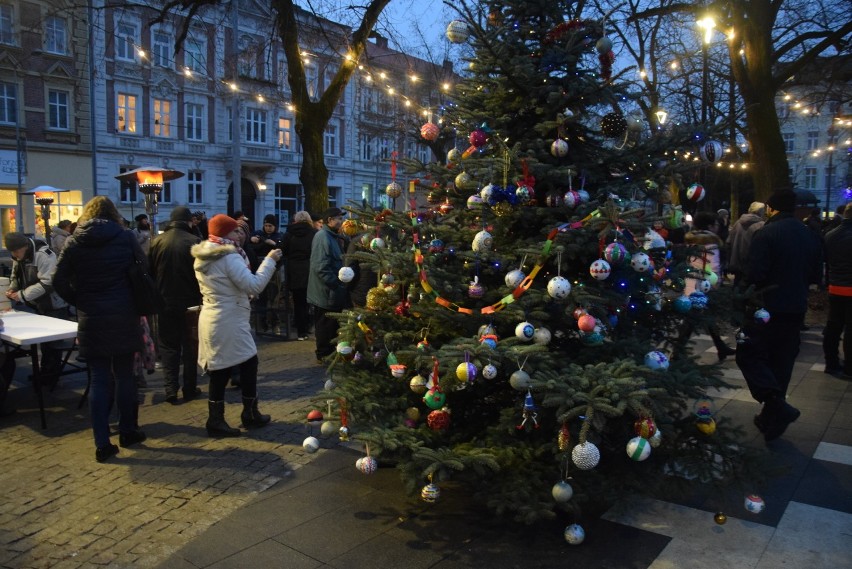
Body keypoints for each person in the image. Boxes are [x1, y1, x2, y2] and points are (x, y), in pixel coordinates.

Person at [53, 196, 147, 462]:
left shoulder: (74, 241)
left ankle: (102, 443)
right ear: (113, 213)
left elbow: (57, 280)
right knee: (125, 376)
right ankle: (128, 431)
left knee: (99, 378)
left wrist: (79, 300)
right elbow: (144, 268)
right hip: (124, 314)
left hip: (92, 317)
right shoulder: (126, 237)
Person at [735, 189, 822, 442]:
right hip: (795, 308)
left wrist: (743, 299)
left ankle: (774, 404)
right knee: (782, 361)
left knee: (747, 352)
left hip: (765, 308)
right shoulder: (810, 235)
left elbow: (756, 274)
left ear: (772, 209)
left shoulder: (767, 233)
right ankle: (771, 419)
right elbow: (817, 275)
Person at [191, 214, 282, 437]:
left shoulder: (205, 254)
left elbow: (226, 286)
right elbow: (254, 285)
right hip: (228, 319)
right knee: (243, 364)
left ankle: (227, 416)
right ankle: (239, 416)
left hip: (216, 316)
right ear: (224, 233)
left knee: (223, 368)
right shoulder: (229, 257)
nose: (239, 234)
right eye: (235, 231)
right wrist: (270, 260)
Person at [148, 206, 203, 404]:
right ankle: (189, 387)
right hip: (190, 303)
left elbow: (149, 273)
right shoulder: (194, 242)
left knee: (168, 346)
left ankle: (170, 389)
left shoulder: (156, 241)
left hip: (164, 302)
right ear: (188, 221)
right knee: (190, 346)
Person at [3, 232, 70, 388]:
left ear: (25, 247)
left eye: (16, 252)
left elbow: (48, 283)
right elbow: (16, 276)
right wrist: (12, 290)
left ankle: (51, 375)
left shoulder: (44, 255)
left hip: (54, 304)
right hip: (39, 303)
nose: (14, 256)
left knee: (52, 343)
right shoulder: (19, 255)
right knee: (45, 344)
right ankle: (45, 373)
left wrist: (21, 295)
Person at [683, 212, 735, 360]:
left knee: (703, 316)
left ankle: (720, 347)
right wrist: (716, 283)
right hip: (705, 284)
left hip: (692, 282)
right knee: (692, 319)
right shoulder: (711, 242)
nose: (717, 227)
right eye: (716, 225)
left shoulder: (691, 239)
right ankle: (677, 352)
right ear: (710, 226)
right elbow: (714, 266)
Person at [307, 207, 351, 363]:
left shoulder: (333, 236)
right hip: (325, 292)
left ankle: (329, 353)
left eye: (341, 218)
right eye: (338, 218)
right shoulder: (323, 237)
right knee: (325, 326)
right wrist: (337, 284)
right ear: (329, 220)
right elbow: (321, 267)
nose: (341, 221)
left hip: (331, 291)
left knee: (331, 326)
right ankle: (324, 354)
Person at [822, 203, 852, 380]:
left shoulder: (831, 235)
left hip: (835, 286)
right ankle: (850, 367)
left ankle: (831, 363)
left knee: (833, 326)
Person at [279, 211, 316, 340]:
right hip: (309, 269)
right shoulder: (313, 233)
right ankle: (311, 327)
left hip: (294, 270)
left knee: (298, 302)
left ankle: (301, 332)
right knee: (311, 301)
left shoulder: (289, 234)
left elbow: (283, 251)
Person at [250, 214, 284, 331]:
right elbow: (253, 246)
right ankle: (261, 324)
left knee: (274, 297)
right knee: (261, 297)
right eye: (266, 225)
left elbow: (282, 249)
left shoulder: (279, 236)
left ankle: (275, 323)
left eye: (270, 225)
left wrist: (274, 244)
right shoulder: (258, 234)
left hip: (275, 270)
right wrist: (252, 239)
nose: (268, 228)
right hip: (260, 269)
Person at [726, 202, 766, 286]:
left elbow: (728, 243)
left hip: (736, 265)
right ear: (761, 212)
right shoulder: (761, 226)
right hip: (751, 267)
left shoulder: (737, 223)